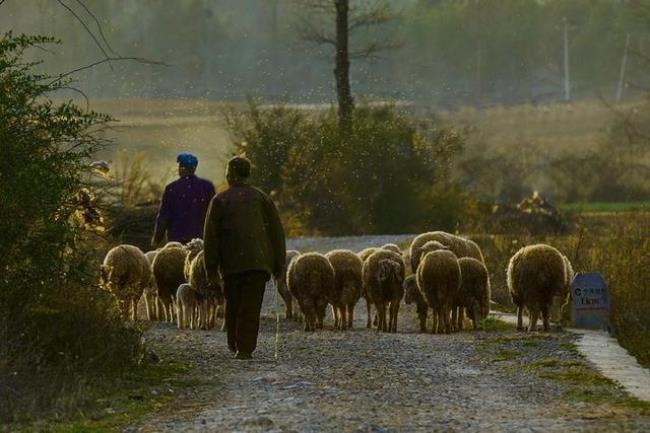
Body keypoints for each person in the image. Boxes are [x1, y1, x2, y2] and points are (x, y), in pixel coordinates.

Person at [203, 156, 286, 360]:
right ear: (247, 174)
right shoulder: (262, 198)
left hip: (232, 263)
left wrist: (211, 268)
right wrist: (278, 264)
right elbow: (277, 232)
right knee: (251, 306)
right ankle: (245, 348)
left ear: (230, 174)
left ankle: (236, 344)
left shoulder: (220, 200)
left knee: (233, 304)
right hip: (258, 263)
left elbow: (211, 237)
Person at [152, 153, 215, 247]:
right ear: (194, 168)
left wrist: (157, 239)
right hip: (200, 240)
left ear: (181, 168)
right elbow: (214, 215)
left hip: (177, 240)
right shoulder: (207, 187)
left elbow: (164, 217)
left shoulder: (171, 188)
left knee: (177, 260)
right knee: (197, 261)